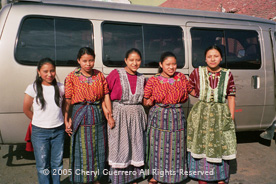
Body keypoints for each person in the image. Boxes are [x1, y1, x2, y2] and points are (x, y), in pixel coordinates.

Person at [187, 45, 237, 184]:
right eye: (209, 56)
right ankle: (203, 177)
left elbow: (231, 96)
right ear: (205, 58)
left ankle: (220, 176)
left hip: (221, 114)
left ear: (221, 58)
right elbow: (188, 87)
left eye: (216, 56)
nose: (212, 59)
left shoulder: (227, 74)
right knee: (201, 144)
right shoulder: (198, 72)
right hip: (201, 113)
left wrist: (230, 118)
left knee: (220, 145)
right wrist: (200, 95)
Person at [64, 47, 114, 184]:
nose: (88, 64)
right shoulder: (71, 77)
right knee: (82, 149)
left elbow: (105, 96)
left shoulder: (99, 75)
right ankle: (82, 179)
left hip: (97, 116)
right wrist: (66, 118)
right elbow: (67, 100)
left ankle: (95, 178)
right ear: (78, 60)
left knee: (98, 148)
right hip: (80, 116)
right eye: (85, 61)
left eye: (91, 60)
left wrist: (109, 115)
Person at [143, 51, 192, 184]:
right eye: (168, 64)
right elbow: (146, 99)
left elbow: (192, 90)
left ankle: (176, 175)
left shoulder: (181, 77)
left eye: (174, 64)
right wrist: (150, 100)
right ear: (161, 64)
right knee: (157, 146)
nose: (171, 67)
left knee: (177, 146)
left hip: (176, 115)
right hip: (159, 115)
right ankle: (155, 175)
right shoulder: (154, 80)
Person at [105, 48, 147, 184]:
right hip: (119, 114)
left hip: (136, 115)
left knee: (135, 145)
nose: (135, 63)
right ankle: (119, 179)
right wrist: (109, 115)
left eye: (138, 60)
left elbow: (145, 99)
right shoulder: (116, 74)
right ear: (126, 60)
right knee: (119, 146)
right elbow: (105, 93)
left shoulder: (142, 77)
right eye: (131, 60)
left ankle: (133, 178)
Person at [23, 58, 65, 184]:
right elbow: (26, 109)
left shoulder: (61, 87)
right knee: (42, 166)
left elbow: (64, 107)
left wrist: (62, 119)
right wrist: (39, 121)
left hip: (59, 131)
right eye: (45, 71)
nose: (49, 74)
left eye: (52, 71)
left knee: (57, 164)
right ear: (39, 72)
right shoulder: (33, 88)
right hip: (40, 132)